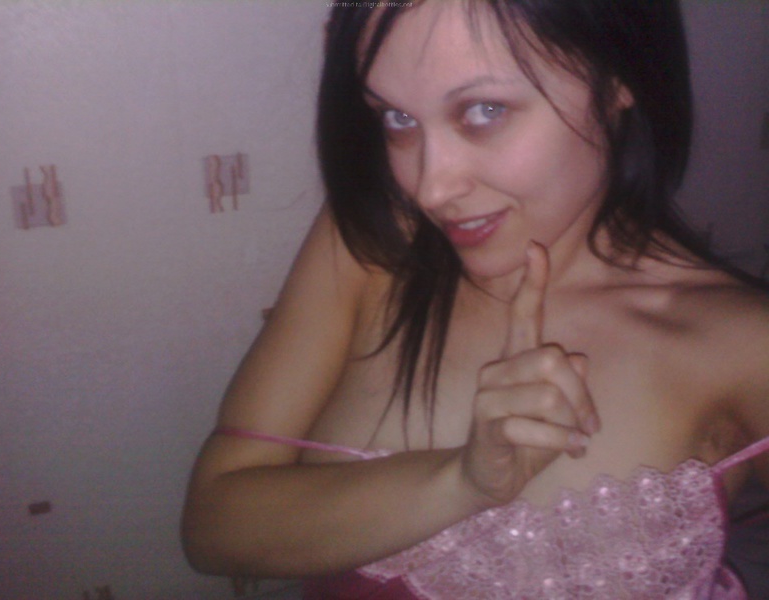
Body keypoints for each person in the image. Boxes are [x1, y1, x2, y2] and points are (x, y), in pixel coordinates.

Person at [182, 1, 769, 598]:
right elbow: (213, 526)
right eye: (397, 118)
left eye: (485, 111)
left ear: (620, 74)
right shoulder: (373, 245)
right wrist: (461, 482)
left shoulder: (742, 344)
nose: (430, 188)